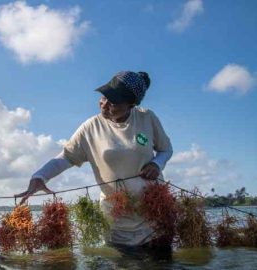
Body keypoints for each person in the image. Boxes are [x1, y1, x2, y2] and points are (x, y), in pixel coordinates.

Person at [16, 71, 173, 247]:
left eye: (113, 102)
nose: (104, 104)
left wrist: (156, 164)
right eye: (104, 97)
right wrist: (40, 176)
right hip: (117, 217)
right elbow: (66, 158)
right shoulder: (91, 127)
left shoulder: (147, 118)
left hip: (153, 214)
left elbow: (166, 150)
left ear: (131, 105)